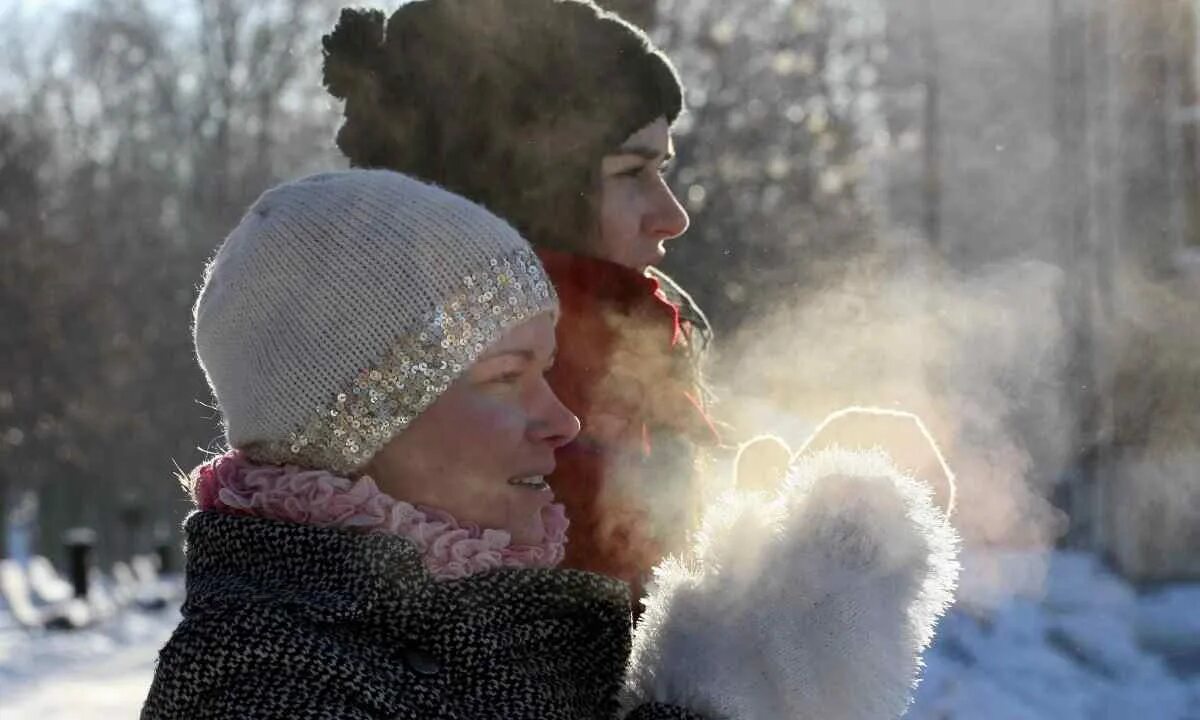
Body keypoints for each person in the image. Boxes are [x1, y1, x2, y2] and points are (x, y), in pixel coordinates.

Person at [141, 169, 961, 720]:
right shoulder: (263, 683)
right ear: (360, 417)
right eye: (507, 377)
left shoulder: (491, 622)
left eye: (548, 369)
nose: (561, 420)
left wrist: (783, 607)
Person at [321, 0, 717, 591]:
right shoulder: (499, 409)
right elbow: (597, 663)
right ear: (540, 188)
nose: (673, 216)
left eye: (664, 170)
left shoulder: (628, 349)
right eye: (632, 173)